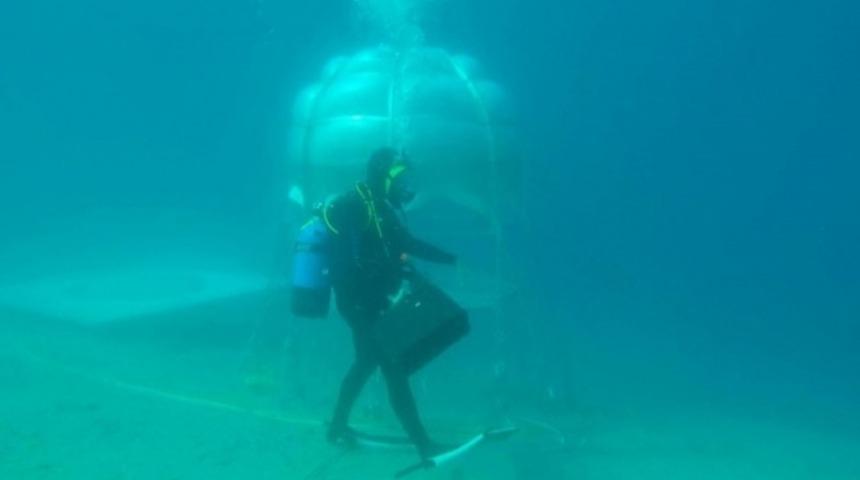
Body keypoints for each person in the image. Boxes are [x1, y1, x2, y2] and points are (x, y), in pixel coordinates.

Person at [323, 147, 457, 458]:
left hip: (370, 304)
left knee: (365, 363)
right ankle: (424, 446)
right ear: (380, 177)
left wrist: (451, 259)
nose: (403, 185)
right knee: (393, 368)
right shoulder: (355, 206)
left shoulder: (380, 208)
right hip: (359, 305)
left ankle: (337, 427)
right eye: (397, 178)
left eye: (404, 178)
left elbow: (406, 245)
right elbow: (350, 262)